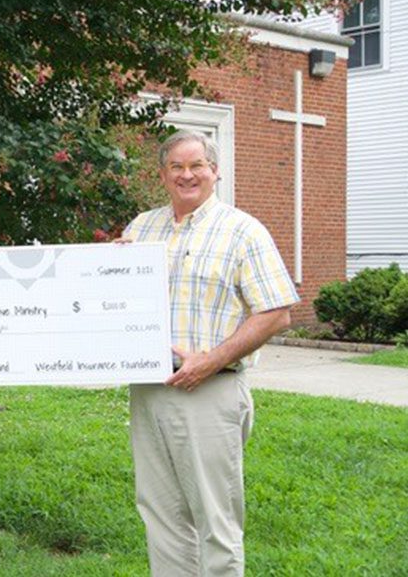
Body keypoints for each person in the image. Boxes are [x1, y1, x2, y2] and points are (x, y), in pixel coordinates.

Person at [119, 131, 299, 576]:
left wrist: (211, 360)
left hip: (210, 390)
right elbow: (118, 302)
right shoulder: (141, 228)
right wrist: (109, 268)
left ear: (215, 171)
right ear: (162, 175)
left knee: (216, 521)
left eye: (197, 165)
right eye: (176, 167)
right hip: (150, 388)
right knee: (160, 514)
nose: (187, 174)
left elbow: (276, 313)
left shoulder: (243, 231)